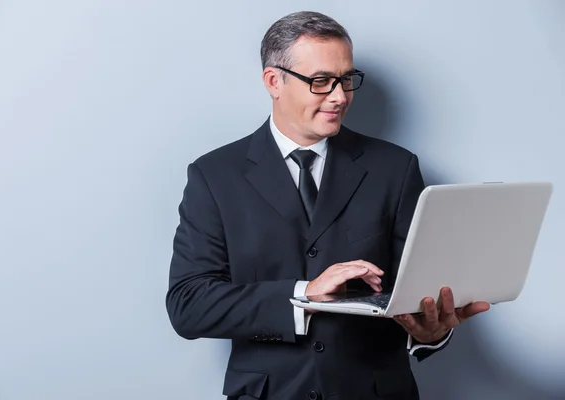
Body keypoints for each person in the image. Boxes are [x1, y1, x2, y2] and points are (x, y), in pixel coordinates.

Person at [166, 11, 489, 400]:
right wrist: (305, 294)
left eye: (346, 79)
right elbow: (189, 304)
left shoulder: (396, 168)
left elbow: (417, 291)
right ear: (274, 82)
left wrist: (431, 333)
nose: (340, 96)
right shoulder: (214, 176)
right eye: (321, 81)